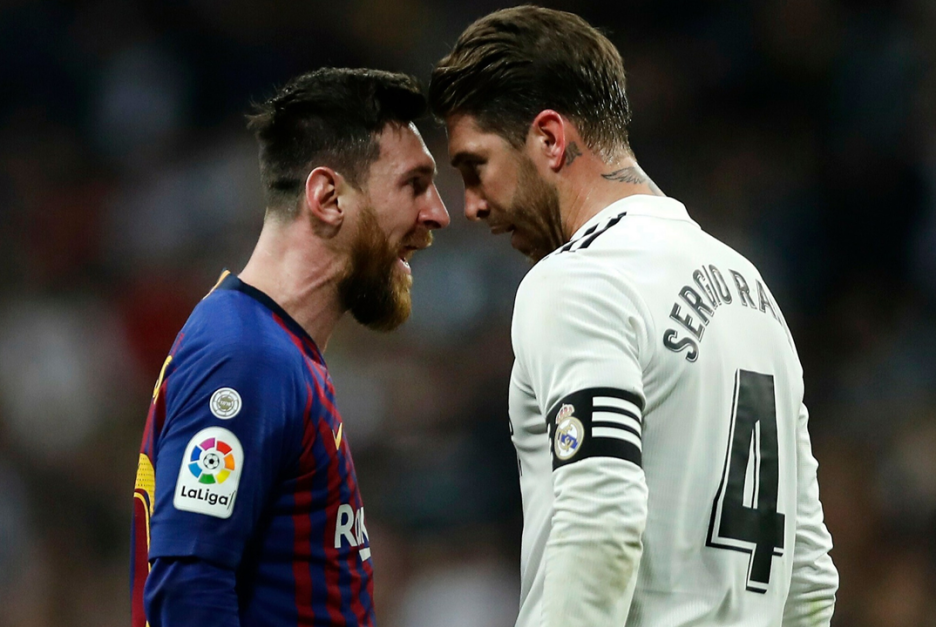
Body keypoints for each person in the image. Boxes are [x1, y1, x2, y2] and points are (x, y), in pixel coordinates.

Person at [429, 6, 837, 627]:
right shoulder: (752, 291)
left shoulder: (579, 279)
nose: (471, 206)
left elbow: (602, 520)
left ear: (549, 138)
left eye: (474, 167)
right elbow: (808, 577)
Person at [130, 67, 449, 627]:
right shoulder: (246, 357)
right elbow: (188, 592)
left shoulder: (273, 350)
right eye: (414, 184)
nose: (438, 213)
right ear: (327, 197)